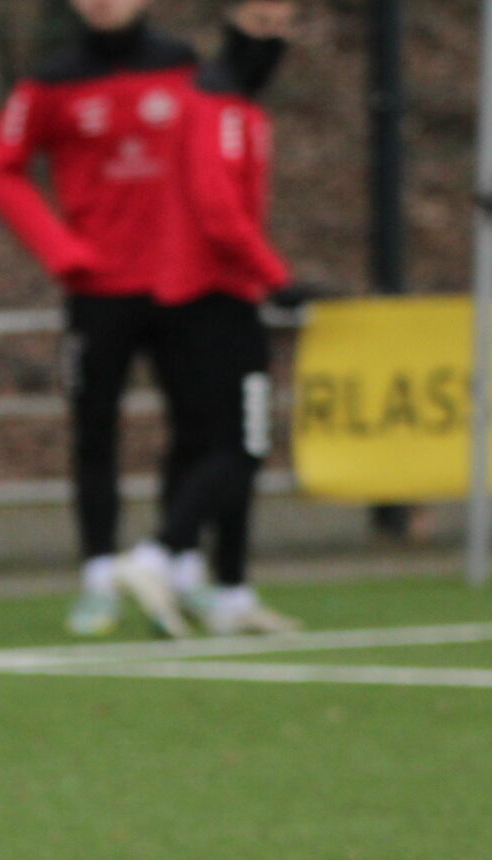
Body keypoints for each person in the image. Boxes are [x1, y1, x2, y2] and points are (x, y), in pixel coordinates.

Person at [0, 0, 205, 639]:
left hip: (181, 282)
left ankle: (178, 565)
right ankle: (100, 576)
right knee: (95, 431)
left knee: (195, 424)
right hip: (98, 292)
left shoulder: (183, 66)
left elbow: (219, 152)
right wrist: (60, 250)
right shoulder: (50, 81)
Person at [148, 1, 302, 637]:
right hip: (213, 297)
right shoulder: (217, 107)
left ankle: (229, 589)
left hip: (201, 295)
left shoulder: (234, 106)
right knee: (242, 443)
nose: (273, 37)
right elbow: (218, 211)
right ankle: (156, 556)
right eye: (260, 21)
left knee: (210, 444)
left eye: (283, 24)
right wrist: (277, 277)